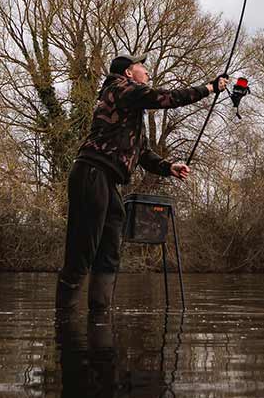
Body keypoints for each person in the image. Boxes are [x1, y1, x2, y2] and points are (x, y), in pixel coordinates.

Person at [55, 53, 228, 311]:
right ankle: (64, 324)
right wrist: (209, 88)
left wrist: (169, 167)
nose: (147, 73)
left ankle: (99, 320)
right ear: (128, 73)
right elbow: (167, 98)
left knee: (109, 253)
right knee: (81, 253)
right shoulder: (119, 88)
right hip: (91, 174)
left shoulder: (130, 107)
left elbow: (143, 153)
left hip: (107, 181)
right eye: (142, 68)